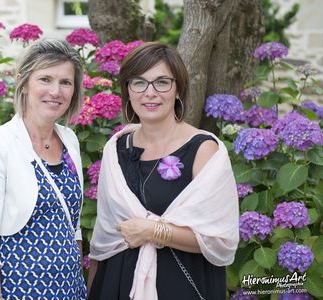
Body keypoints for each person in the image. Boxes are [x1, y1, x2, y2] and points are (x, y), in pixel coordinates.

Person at [88, 42, 239, 300]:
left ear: (178, 89)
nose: (150, 93)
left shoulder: (204, 150)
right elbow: (104, 238)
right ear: (128, 90)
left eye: (162, 82)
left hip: (181, 286)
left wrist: (152, 231)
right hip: (117, 283)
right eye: (139, 83)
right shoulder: (116, 148)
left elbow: (220, 241)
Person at [0, 38, 86, 300]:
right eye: (45, 79)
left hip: (70, 291)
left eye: (65, 82)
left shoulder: (70, 141)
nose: (56, 91)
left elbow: (72, 227)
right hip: (16, 292)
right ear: (23, 82)